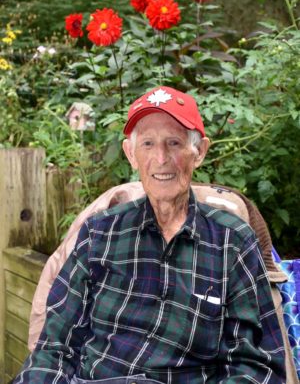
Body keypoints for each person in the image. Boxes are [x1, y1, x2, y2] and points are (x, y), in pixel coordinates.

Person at [14, 86, 286, 383]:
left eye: (174, 143)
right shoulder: (98, 233)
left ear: (199, 152)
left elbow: (257, 365)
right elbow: (54, 347)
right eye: (147, 143)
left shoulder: (232, 242)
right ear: (131, 154)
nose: (160, 158)